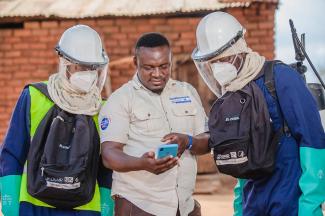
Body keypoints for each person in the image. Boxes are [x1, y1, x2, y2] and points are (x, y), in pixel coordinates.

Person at [187, 11, 325, 216]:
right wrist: (240, 207)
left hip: (290, 204)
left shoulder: (279, 78)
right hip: (254, 205)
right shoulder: (232, 95)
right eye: (212, 62)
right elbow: (242, 159)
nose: (217, 67)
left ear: (239, 48)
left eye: (222, 59)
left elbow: (313, 142)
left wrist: (309, 206)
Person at [0, 25, 114, 216]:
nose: (87, 73)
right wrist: (9, 202)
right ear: (64, 63)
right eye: (80, 66)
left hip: (86, 209)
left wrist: (106, 206)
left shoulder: (102, 109)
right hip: (33, 205)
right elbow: (12, 153)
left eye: (92, 67)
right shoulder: (34, 96)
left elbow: (106, 165)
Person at [99, 32, 208, 216]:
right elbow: (109, 155)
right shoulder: (121, 99)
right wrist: (142, 163)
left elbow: (208, 139)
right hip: (140, 206)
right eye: (148, 67)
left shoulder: (187, 92)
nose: (157, 74)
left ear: (171, 61)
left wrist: (189, 141)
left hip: (185, 206)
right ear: (135, 62)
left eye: (164, 66)